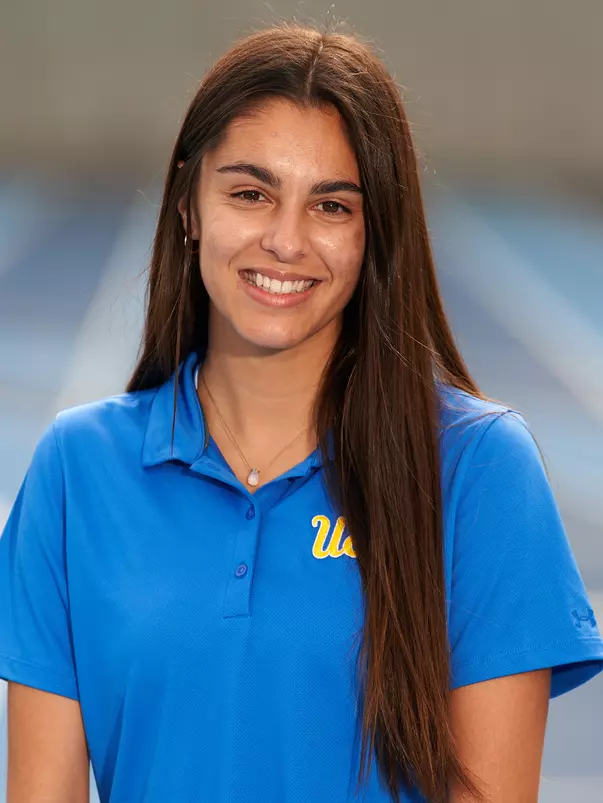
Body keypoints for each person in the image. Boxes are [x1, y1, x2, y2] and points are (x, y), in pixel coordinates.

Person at [1, 22, 602, 803]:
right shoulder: (77, 469)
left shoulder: (476, 469)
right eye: (250, 193)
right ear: (189, 204)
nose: (285, 241)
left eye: (331, 206)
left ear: (372, 230)